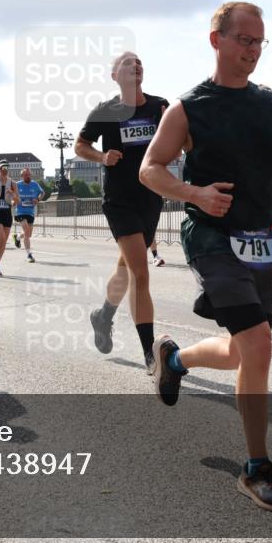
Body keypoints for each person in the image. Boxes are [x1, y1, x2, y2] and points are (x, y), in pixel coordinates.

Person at [140, 1, 272, 512]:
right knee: (259, 346)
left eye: (260, 42)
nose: (254, 51)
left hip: (260, 237)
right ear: (217, 40)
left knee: (243, 351)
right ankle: (256, 468)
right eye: (245, 40)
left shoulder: (271, 104)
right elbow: (150, 169)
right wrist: (193, 193)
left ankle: (171, 358)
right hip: (212, 236)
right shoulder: (189, 107)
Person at [75, 50, 169, 372]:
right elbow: (79, 145)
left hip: (151, 198)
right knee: (141, 274)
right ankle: (150, 356)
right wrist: (101, 157)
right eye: (127, 63)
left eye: (139, 61)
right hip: (120, 200)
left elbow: (181, 140)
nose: (135, 65)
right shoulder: (105, 110)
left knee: (127, 268)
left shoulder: (160, 107)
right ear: (115, 75)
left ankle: (103, 315)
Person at [14, 168, 45, 262]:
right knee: (27, 231)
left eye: (29, 175)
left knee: (29, 234)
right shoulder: (17, 185)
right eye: (25, 175)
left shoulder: (35, 184)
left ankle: (18, 237)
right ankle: (29, 255)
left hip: (30, 212)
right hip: (20, 212)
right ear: (22, 176)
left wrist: (38, 200)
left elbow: (42, 193)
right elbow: (12, 195)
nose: (28, 176)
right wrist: (14, 199)